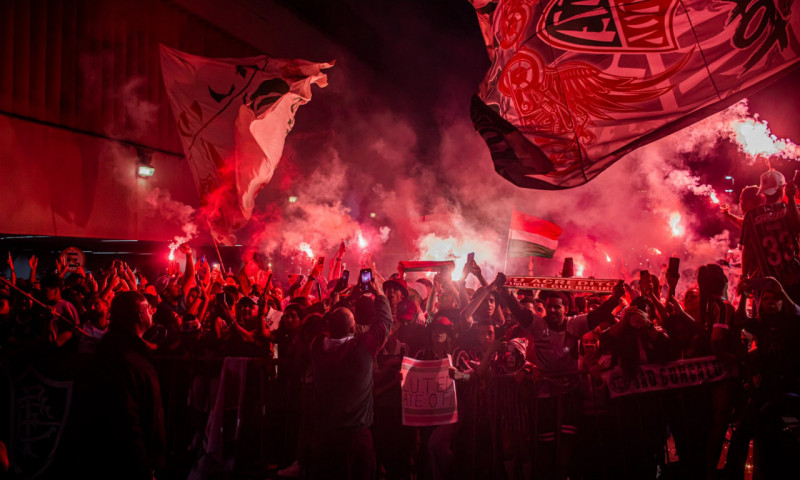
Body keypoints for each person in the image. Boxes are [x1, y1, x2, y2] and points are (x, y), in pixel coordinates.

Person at [308, 278, 391, 480]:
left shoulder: (317, 347)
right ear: (354, 329)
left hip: (325, 436)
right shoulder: (361, 349)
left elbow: (323, 324)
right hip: (356, 437)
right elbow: (385, 322)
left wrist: (342, 301)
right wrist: (379, 293)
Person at [83, 290, 166, 480]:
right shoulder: (123, 357)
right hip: (124, 466)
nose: (151, 313)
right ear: (139, 314)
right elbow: (127, 419)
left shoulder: (124, 351)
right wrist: (143, 468)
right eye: (148, 309)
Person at [740, 169, 800, 302]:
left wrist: (744, 276)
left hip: (767, 283)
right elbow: (797, 228)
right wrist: (791, 198)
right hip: (794, 278)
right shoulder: (790, 209)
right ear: (782, 188)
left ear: (762, 192)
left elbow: (747, 250)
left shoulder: (750, 216)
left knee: (769, 320)